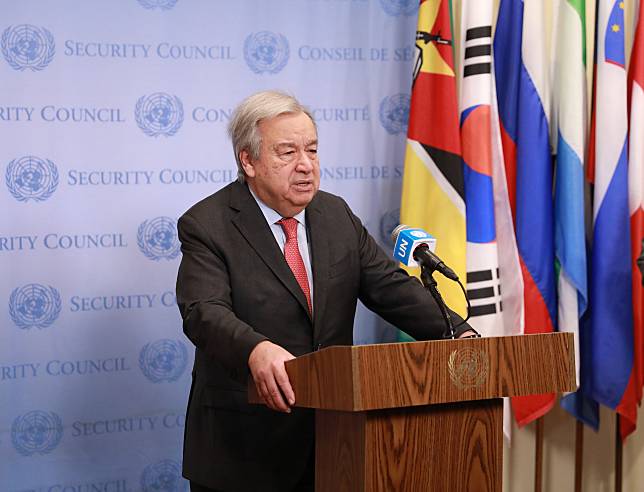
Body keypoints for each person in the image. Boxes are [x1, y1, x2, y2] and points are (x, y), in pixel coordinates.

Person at [175, 90, 474, 492]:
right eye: (287, 153)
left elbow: (390, 288)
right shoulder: (207, 224)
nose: (306, 166)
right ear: (248, 160)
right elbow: (204, 311)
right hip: (244, 448)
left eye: (312, 151)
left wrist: (458, 334)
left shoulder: (334, 215)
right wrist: (255, 349)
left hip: (335, 440)